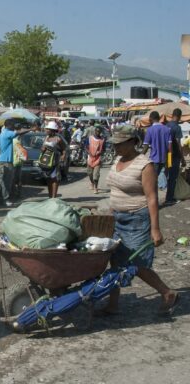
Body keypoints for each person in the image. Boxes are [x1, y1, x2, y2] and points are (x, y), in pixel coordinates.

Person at [100, 125, 178, 316]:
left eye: (119, 144)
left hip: (137, 220)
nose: (115, 147)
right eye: (114, 144)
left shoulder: (145, 164)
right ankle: (112, 305)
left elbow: (152, 198)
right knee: (115, 262)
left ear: (132, 142)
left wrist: (155, 229)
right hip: (117, 218)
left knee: (137, 264)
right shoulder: (118, 159)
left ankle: (167, 293)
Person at [0, 119, 32, 206]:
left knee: (6, 181)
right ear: (8, 125)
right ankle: (6, 199)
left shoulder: (2, 134)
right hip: (6, 161)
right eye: (13, 125)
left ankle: (6, 198)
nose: (14, 127)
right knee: (6, 182)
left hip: (4, 160)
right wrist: (30, 129)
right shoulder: (7, 133)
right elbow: (19, 132)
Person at [142, 111, 172, 194]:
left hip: (154, 158)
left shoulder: (150, 130)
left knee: (153, 181)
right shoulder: (167, 129)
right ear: (159, 118)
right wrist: (169, 160)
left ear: (151, 119)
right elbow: (170, 147)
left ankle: (155, 201)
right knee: (162, 174)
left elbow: (146, 146)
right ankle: (163, 187)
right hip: (164, 158)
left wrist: (139, 156)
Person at [164, 108, 187, 205]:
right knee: (173, 177)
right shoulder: (177, 128)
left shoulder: (166, 125)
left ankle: (168, 196)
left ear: (172, 115)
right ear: (179, 116)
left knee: (169, 176)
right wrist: (182, 158)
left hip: (168, 155)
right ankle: (169, 198)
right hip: (175, 156)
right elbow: (178, 144)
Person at [41, 121, 67, 198]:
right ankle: (50, 196)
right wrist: (43, 149)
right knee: (48, 178)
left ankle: (54, 197)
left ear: (52, 130)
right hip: (47, 161)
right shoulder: (46, 138)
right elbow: (42, 148)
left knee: (54, 178)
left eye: (48, 129)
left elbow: (64, 149)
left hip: (55, 161)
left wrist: (63, 156)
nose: (46, 130)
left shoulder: (58, 139)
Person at [85, 126, 105, 194]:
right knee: (90, 173)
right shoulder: (90, 138)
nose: (97, 132)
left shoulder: (102, 140)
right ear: (94, 131)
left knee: (95, 175)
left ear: (101, 132)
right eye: (96, 131)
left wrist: (99, 153)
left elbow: (103, 149)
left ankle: (96, 188)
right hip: (90, 158)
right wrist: (89, 152)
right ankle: (92, 183)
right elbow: (86, 147)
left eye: (99, 131)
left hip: (98, 159)